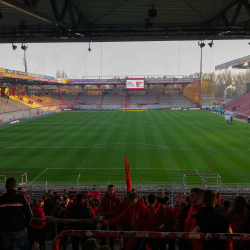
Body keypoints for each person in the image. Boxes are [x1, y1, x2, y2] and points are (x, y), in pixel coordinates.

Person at [0, 177, 32, 250]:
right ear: (16, 186)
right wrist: (24, 225)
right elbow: (29, 214)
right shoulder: (21, 198)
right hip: (19, 229)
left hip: (5, 230)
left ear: (5, 187)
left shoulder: (1, 199)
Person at [100, 184, 121, 249]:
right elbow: (102, 212)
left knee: (112, 240)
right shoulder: (103, 200)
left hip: (112, 222)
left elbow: (117, 213)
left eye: (112, 190)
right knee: (103, 239)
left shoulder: (117, 200)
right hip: (104, 222)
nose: (111, 191)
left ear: (114, 190)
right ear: (107, 190)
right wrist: (112, 212)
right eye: (110, 190)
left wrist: (107, 213)